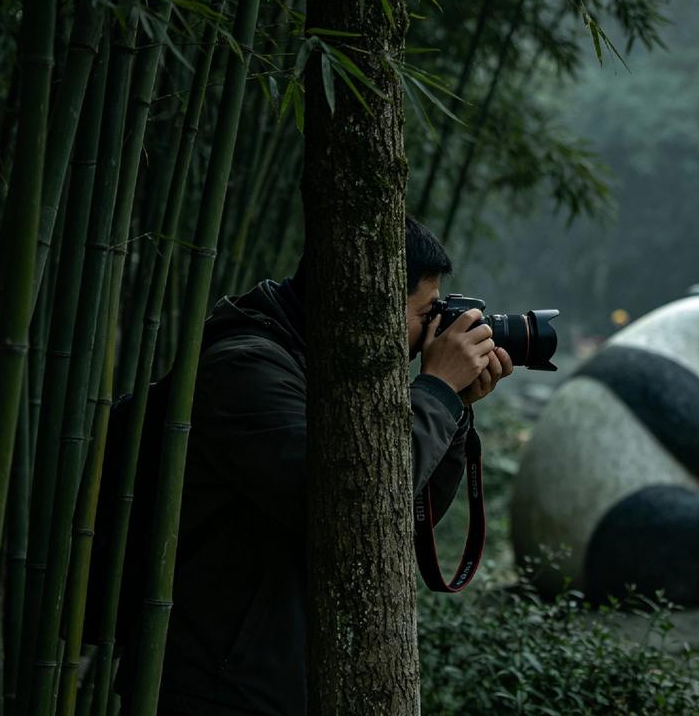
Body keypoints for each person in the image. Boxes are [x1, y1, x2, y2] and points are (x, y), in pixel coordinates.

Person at [140, 217, 513, 715]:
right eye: (426, 313)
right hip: (220, 685)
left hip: (270, 672)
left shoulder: (324, 367)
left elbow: (403, 512)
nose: (432, 331)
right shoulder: (245, 369)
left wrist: (454, 408)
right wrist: (436, 390)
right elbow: (355, 508)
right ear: (369, 298)